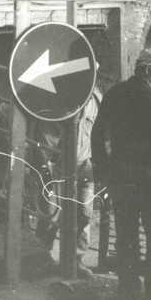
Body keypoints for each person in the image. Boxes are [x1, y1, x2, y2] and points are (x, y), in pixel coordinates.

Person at [91, 47, 151, 300]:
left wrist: (104, 171)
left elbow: (97, 135)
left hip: (121, 176)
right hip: (150, 178)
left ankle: (128, 290)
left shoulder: (114, 94)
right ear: (148, 70)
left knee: (126, 235)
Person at [31, 85, 102, 278]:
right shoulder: (60, 95)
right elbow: (47, 131)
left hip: (84, 165)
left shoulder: (96, 98)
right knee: (50, 214)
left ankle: (75, 260)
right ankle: (42, 258)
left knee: (84, 215)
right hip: (58, 164)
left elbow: (99, 132)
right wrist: (46, 161)